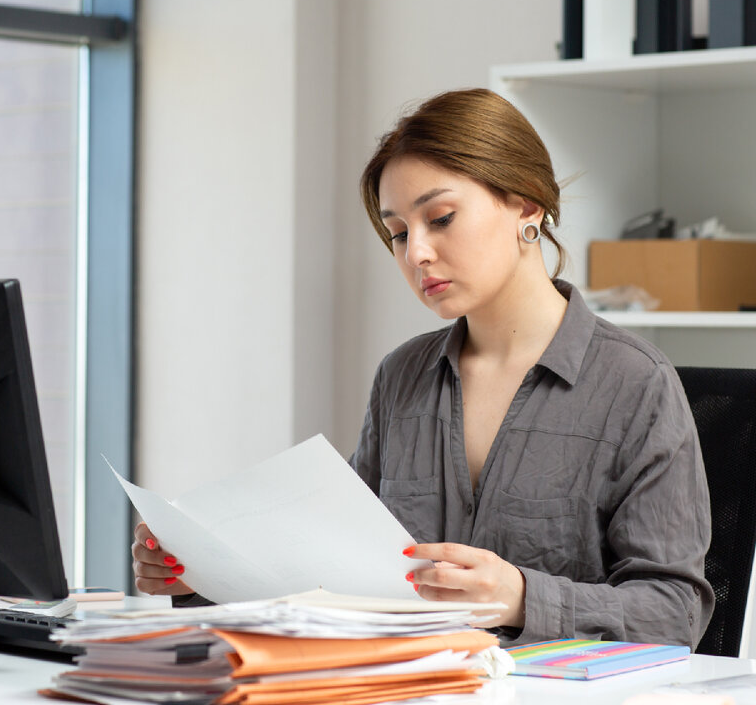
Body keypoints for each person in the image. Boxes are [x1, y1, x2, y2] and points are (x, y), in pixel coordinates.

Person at [132, 88, 714, 648]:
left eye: (440, 218)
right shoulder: (402, 376)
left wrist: (519, 597)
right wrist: (202, 578)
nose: (416, 254)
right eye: (399, 233)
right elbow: (337, 570)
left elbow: (674, 612)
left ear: (527, 206)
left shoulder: (637, 383)